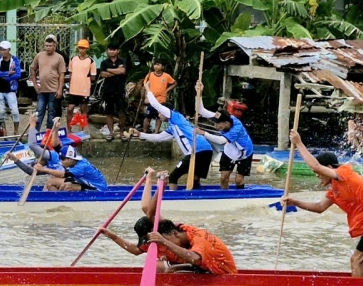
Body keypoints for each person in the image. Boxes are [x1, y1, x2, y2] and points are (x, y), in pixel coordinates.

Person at [282, 131, 363, 278]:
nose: (317, 175)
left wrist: (298, 143)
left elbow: (316, 167)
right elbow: (319, 208)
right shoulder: (334, 191)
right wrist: (295, 202)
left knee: (356, 260)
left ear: (330, 168)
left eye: (319, 173)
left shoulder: (343, 172)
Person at [99, 171, 237, 273]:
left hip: (220, 274)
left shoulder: (198, 238)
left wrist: (164, 242)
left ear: (174, 234)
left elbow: (195, 259)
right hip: (199, 268)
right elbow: (148, 211)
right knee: (156, 265)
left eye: (162, 241)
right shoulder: (168, 229)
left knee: (161, 267)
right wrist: (154, 183)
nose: (161, 246)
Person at [134, 88, 214, 188]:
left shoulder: (175, 116)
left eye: (160, 113)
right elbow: (159, 137)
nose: (159, 115)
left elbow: (155, 104)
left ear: (166, 112)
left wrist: (148, 89)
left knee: (173, 177)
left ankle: (171, 200)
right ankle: (196, 196)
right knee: (195, 177)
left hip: (197, 150)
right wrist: (140, 134)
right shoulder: (173, 126)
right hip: (207, 149)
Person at [194, 81, 256, 188]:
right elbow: (200, 110)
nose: (216, 127)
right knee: (223, 177)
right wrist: (199, 93)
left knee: (238, 180)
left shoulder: (236, 128)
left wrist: (204, 133)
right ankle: (224, 194)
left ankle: (240, 196)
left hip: (244, 152)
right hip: (230, 151)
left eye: (218, 125)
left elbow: (221, 141)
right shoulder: (221, 116)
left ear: (226, 123)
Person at [23, 133, 108, 191]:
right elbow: (56, 146)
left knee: (67, 186)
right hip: (85, 182)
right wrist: (56, 128)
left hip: (98, 188)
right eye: (60, 158)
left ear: (70, 159)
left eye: (63, 159)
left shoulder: (81, 166)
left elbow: (63, 174)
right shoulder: (73, 160)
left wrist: (44, 169)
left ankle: (61, 202)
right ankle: (57, 199)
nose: (61, 161)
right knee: (51, 182)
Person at [28, 36, 66, 130]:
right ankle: (35, 132)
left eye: (50, 46)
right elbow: (33, 68)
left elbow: (62, 75)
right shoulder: (39, 56)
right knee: (39, 111)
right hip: (41, 90)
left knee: (52, 112)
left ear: (54, 46)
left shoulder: (59, 58)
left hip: (54, 90)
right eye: (46, 45)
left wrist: (60, 89)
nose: (48, 47)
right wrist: (35, 85)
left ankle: (49, 132)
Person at [96, 44, 130, 139]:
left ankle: (122, 133)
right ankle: (111, 133)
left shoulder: (123, 61)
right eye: (110, 49)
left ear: (118, 51)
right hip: (108, 90)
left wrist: (110, 70)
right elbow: (103, 74)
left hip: (120, 90)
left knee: (121, 113)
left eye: (114, 49)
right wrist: (117, 71)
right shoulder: (104, 62)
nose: (111, 51)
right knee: (109, 113)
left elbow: (122, 71)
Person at [67, 39, 96, 129]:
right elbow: (70, 73)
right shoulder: (73, 59)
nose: (81, 50)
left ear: (87, 49)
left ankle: (82, 130)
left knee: (83, 109)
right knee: (70, 109)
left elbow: (93, 77)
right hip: (73, 89)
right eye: (80, 48)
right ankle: (69, 130)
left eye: (83, 48)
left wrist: (85, 79)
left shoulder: (91, 61)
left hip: (84, 90)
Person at [143, 61, 175, 133]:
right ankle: (144, 132)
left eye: (158, 65)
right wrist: (146, 97)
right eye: (155, 64)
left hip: (161, 100)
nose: (156, 66)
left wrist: (167, 90)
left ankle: (156, 132)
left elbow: (174, 83)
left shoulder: (166, 76)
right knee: (148, 117)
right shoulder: (150, 75)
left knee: (159, 117)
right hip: (151, 100)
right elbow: (146, 86)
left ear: (162, 67)